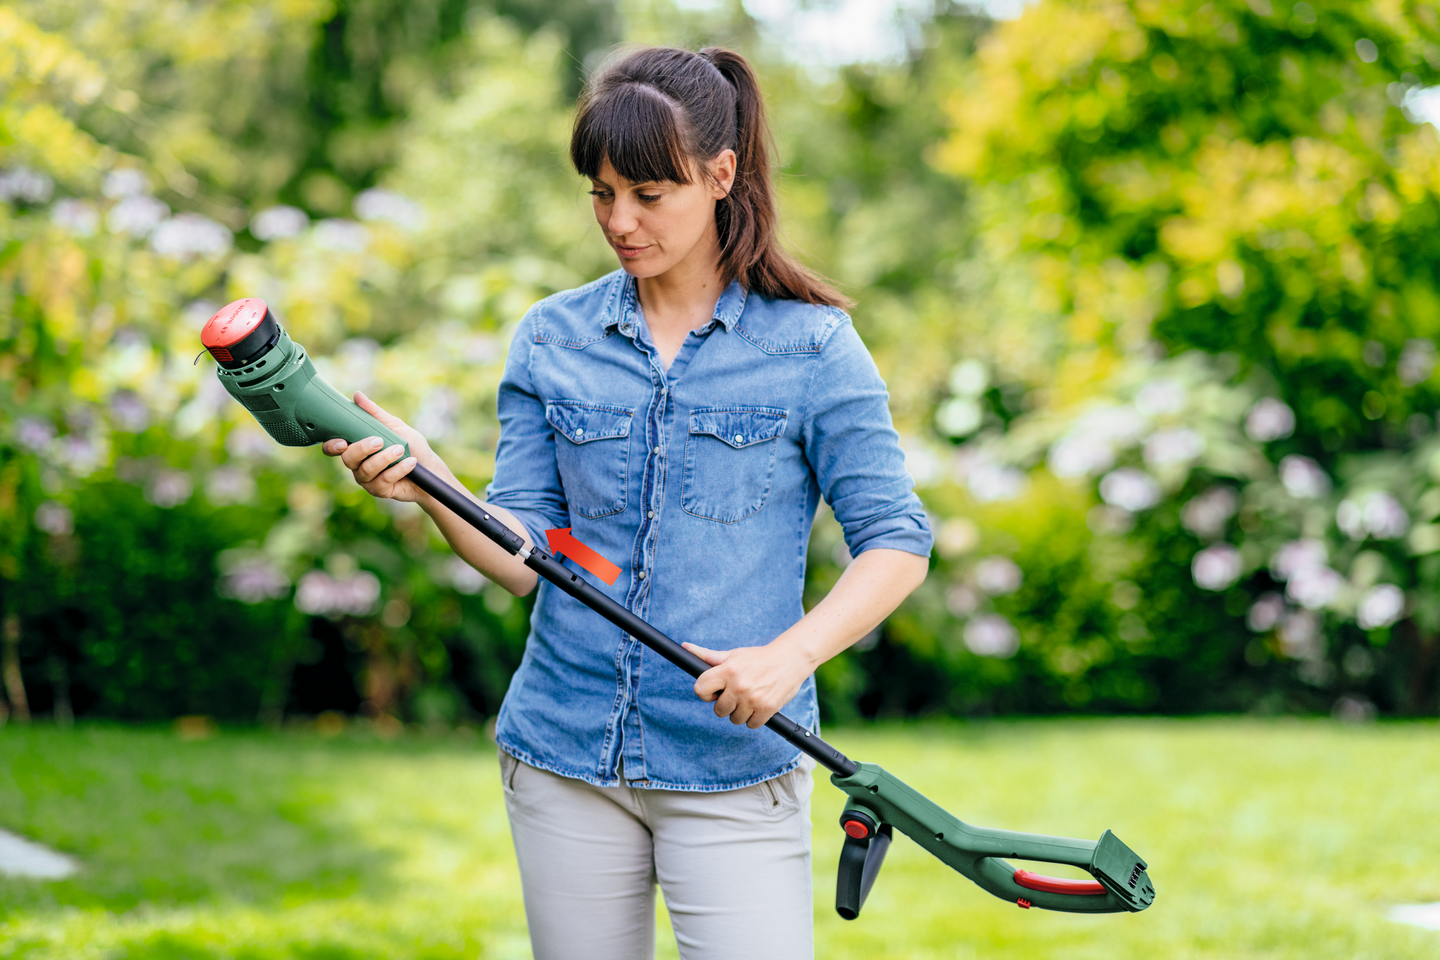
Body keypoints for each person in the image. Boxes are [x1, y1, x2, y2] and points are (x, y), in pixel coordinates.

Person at [323, 44, 932, 960]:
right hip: (564, 752)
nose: (621, 220)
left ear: (722, 175)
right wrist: (427, 481)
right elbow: (529, 555)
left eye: (650, 194)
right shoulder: (553, 338)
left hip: (732, 764)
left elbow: (896, 542)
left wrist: (787, 660)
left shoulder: (813, 349)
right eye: (602, 193)